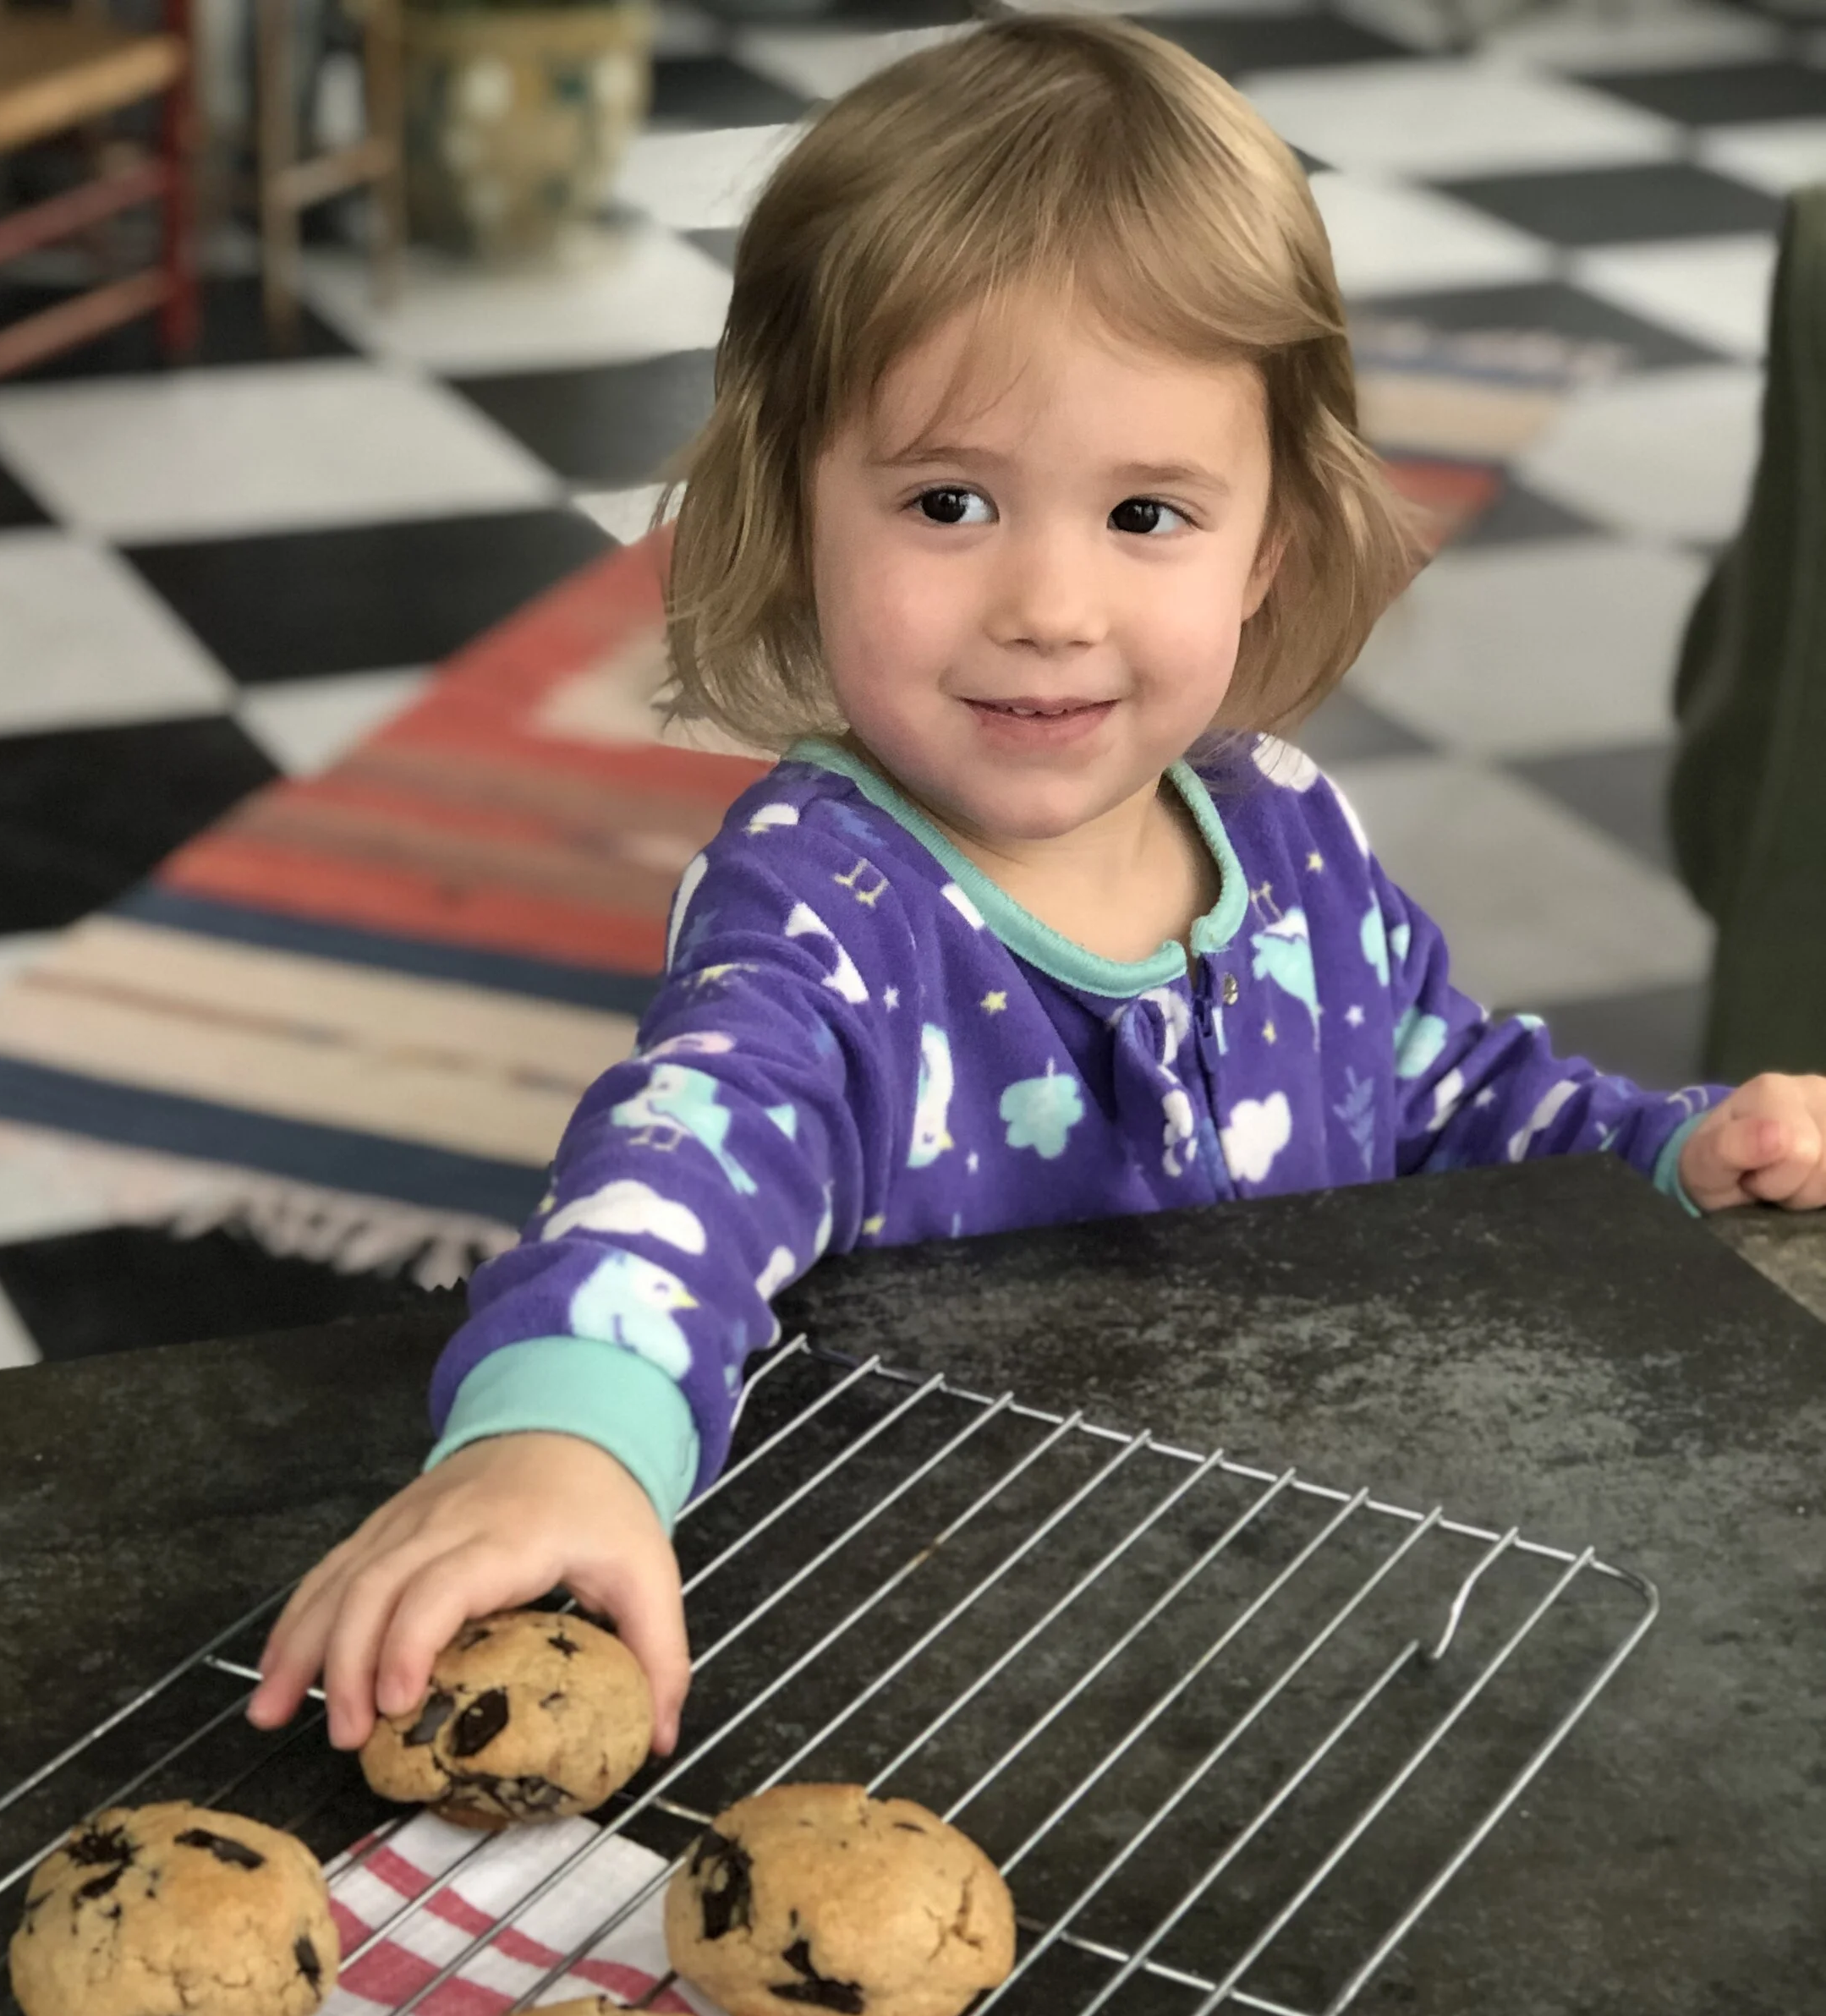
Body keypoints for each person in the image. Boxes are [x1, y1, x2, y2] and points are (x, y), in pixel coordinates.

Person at [247, 9, 1826, 1762]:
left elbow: (1452, 1098)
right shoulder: (828, 899)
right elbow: (680, 1170)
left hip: (1312, 1624)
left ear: (1267, 547)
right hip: (943, 1655)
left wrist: (1666, 1155)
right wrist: (562, 1435)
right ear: (788, 512)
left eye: (1145, 514)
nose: (1048, 606)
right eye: (946, 501)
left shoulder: (1288, 836)